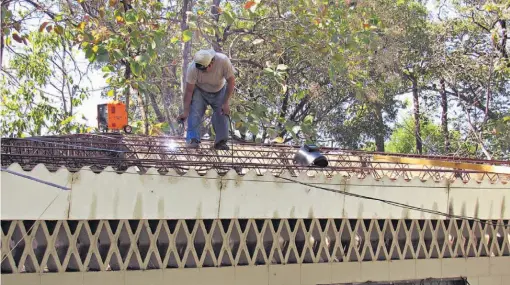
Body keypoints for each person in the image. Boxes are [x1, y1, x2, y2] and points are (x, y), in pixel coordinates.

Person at [178, 49, 235, 150]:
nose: (202, 71)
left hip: (219, 90)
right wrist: (186, 112)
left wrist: (225, 102)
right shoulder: (192, 69)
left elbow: (231, 82)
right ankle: (193, 140)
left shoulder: (223, 60)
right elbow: (189, 92)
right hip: (200, 91)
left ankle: (221, 142)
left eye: (204, 69)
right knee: (194, 112)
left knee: (222, 113)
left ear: (211, 63)